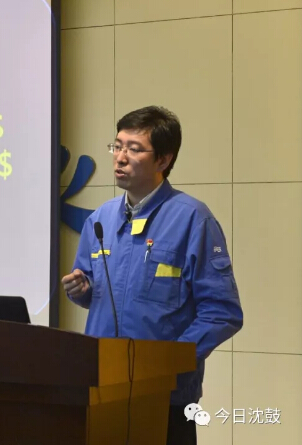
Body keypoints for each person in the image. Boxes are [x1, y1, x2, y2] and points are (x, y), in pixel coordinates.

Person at [62, 106, 243, 445]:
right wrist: (82, 289)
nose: (120, 157)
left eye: (134, 149)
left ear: (163, 159)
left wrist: (168, 362)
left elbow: (223, 312)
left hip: (166, 398)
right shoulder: (99, 219)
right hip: (103, 390)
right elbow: (99, 294)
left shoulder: (193, 219)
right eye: (117, 146)